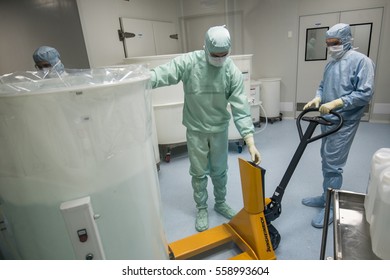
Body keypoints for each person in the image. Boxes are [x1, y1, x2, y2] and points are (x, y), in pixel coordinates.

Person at [150, 26, 261, 232]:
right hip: (196, 129)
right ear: (206, 47)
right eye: (215, 54)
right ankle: (201, 208)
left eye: (224, 54)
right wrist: (140, 81)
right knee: (198, 172)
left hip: (219, 129)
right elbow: (163, 73)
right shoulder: (189, 62)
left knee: (220, 171)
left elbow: (240, 106)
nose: (219, 58)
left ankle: (220, 202)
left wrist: (250, 140)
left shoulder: (231, 70)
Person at [302, 23, 375, 228]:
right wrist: (318, 98)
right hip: (327, 120)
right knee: (326, 158)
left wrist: (337, 102)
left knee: (333, 164)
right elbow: (323, 85)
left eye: (334, 43)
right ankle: (326, 196)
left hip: (344, 121)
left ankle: (331, 207)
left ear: (346, 40)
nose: (331, 47)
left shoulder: (363, 62)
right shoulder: (331, 62)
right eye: (328, 43)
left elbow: (365, 93)